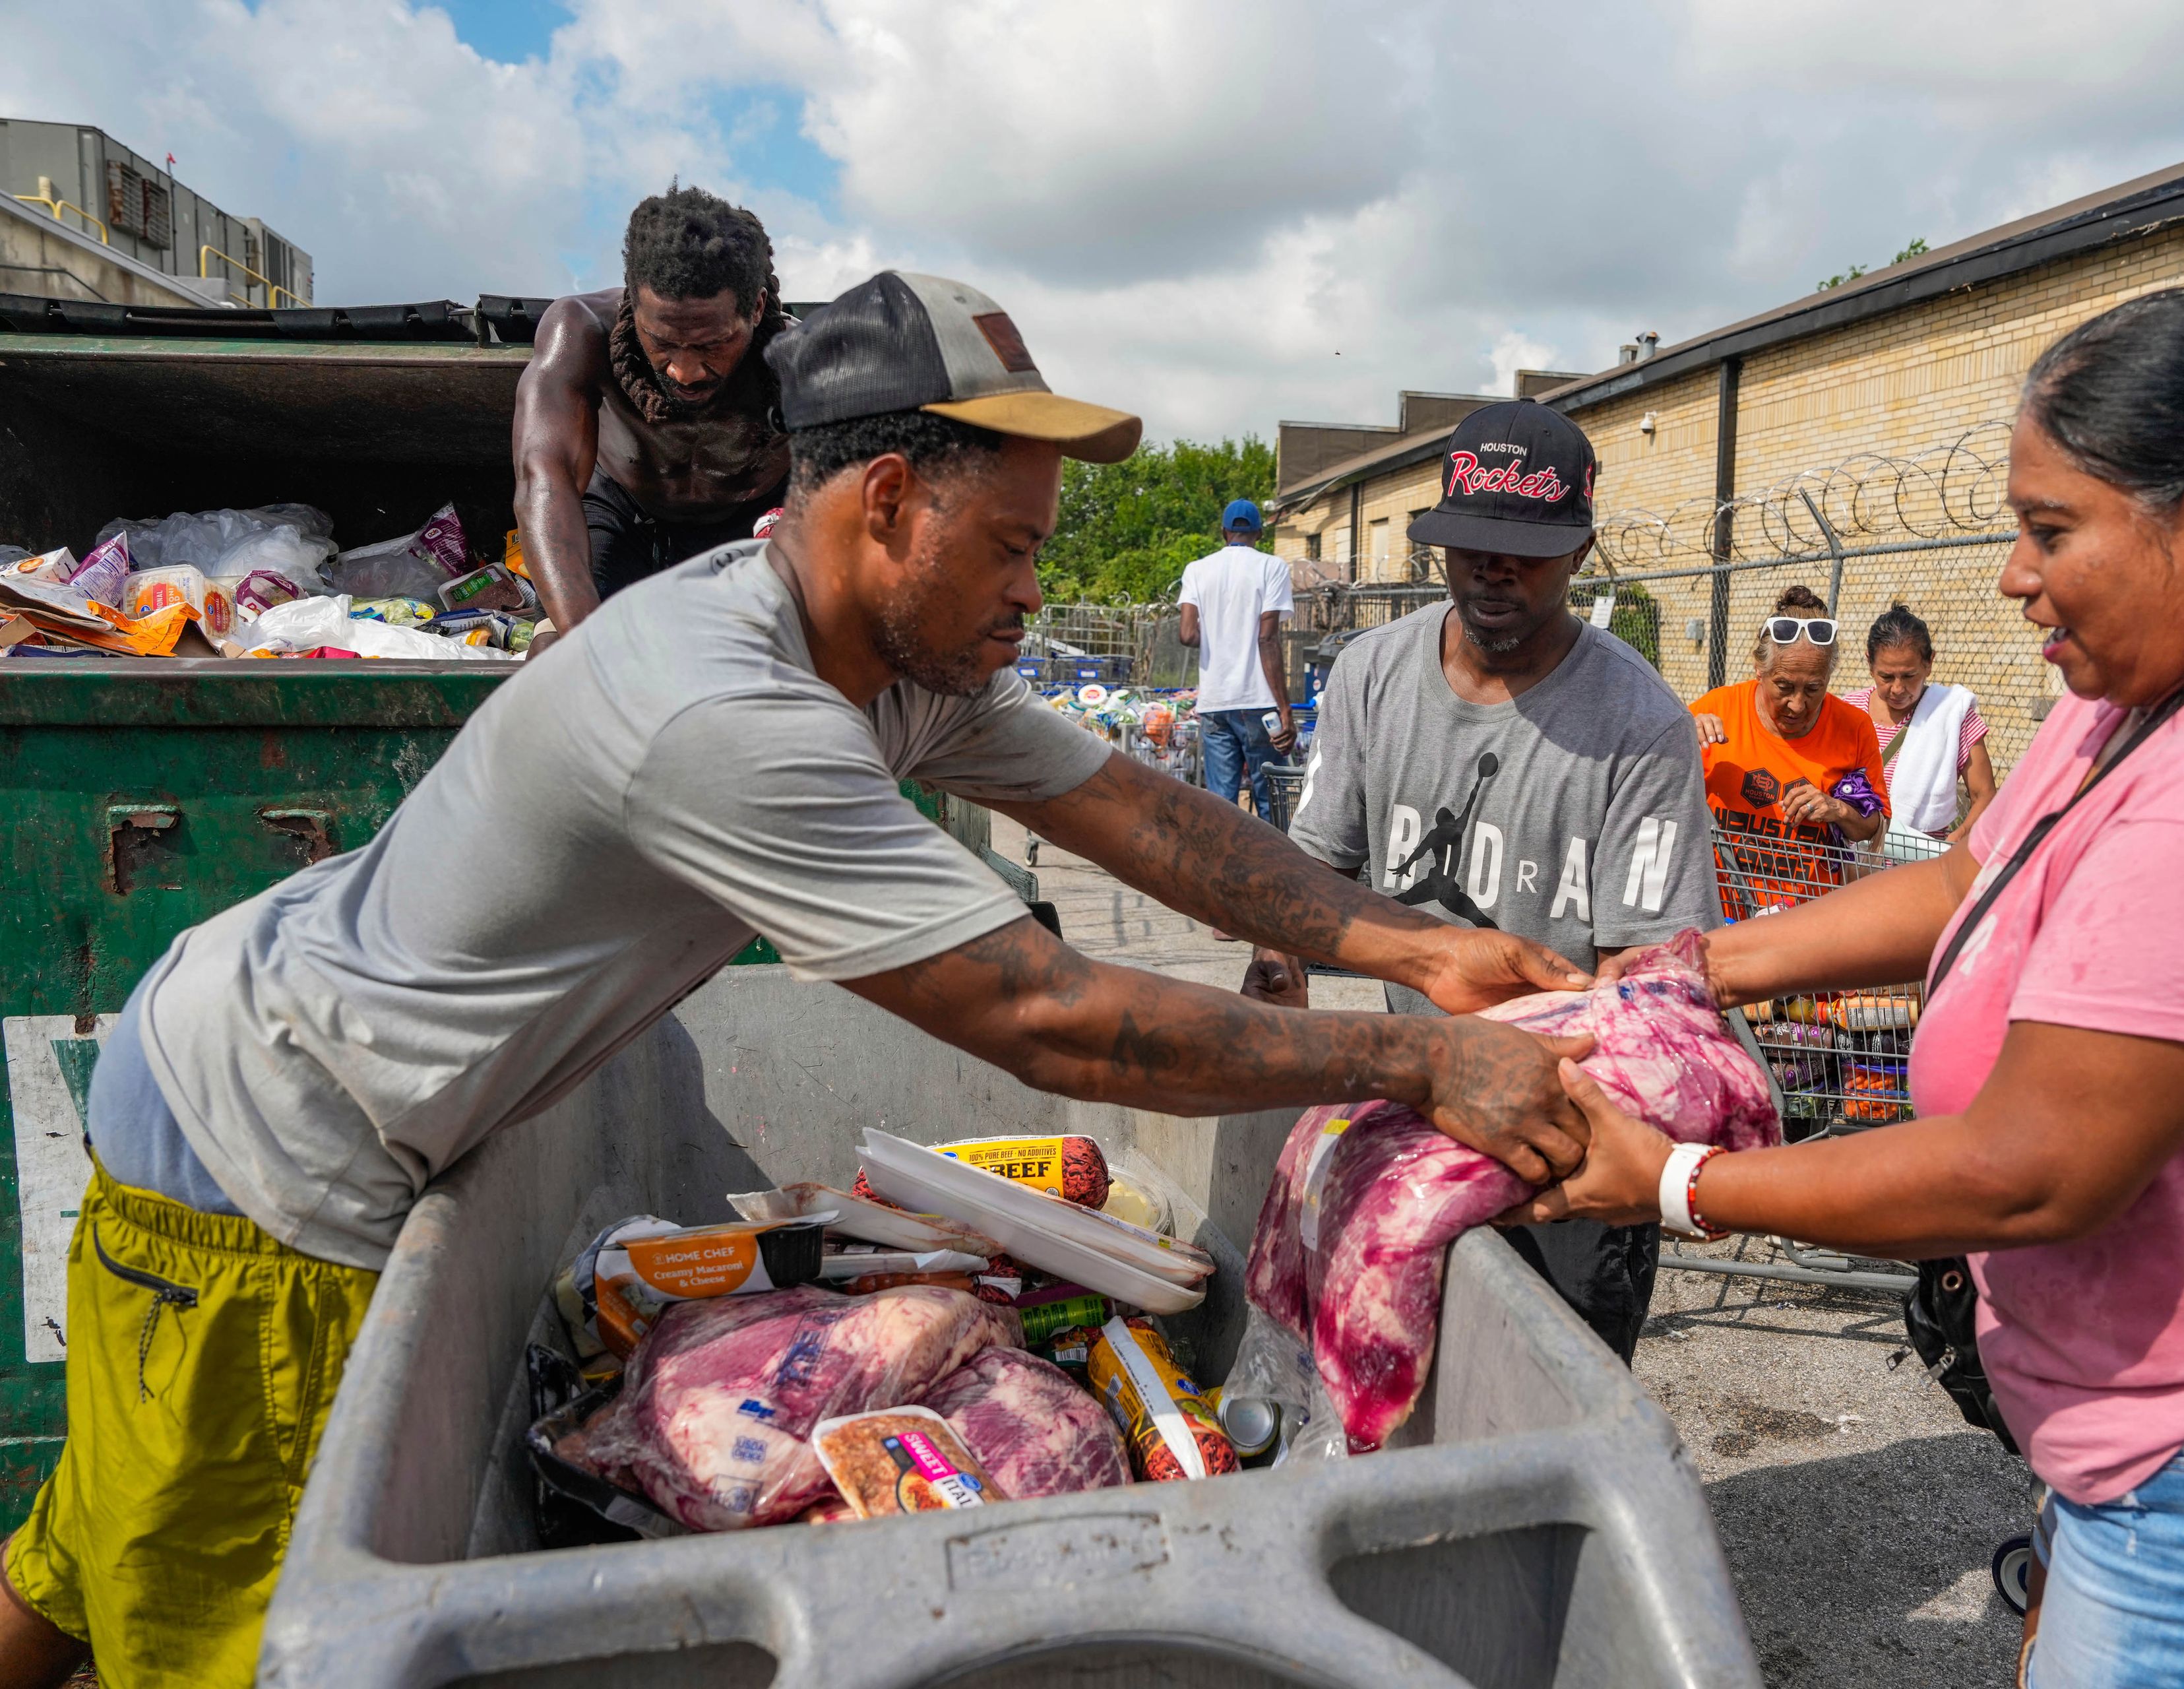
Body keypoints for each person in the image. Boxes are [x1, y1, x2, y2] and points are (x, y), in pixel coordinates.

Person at [0, 273, 1605, 1689]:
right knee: (228, 1620)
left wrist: (1406, 944)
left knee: (90, 1547)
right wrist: (1411, 1061)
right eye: (1014, 546)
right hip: (272, 1168)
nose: (1036, 589)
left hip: (262, 1069)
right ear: (891, 498)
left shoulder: (895, 665)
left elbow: (1139, 813)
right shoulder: (728, 709)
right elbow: (1038, 1008)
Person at [1512, 284, 2184, 1685]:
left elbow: (2026, 1172)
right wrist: (1695, 963)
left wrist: (1676, 1179)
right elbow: (1961, 883)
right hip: (2173, 1441)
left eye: (2052, 528)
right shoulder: (2134, 699)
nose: (2010, 574)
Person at [1244, 398, 1720, 1362]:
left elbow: (1647, 981)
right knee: (1391, 1369)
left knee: (1555, 1385)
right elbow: (1318, 865)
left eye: (1525, 549)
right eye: (1472, 545)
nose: (1493, 568)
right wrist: (1277, 965)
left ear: (1582, 551)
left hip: (1566, 1135)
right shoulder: (1374, 673)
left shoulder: (1639, 724)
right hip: (1406, 1100)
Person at [511, 184, 794, 645]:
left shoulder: (803, 360)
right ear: (634, 302)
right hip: (622, 517)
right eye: (662, 342)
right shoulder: (581, 329)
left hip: (752, 526)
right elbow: (544, 477)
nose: (684, 371)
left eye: (711, 344)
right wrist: (584, 646)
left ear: (757, 308)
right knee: (555, 649)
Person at [1691, 584, 1889, 918]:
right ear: (1759, 670)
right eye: (1784, 686)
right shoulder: (1717, 710)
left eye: (1814, 688)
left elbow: (1874, 827)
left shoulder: (1853, 728)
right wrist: (1679, 743)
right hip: (1720, 916)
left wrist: (1837, 809)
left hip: (1807, 925)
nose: (1798, 705)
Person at [1177, 498, 1296, 813]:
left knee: (1221, 806)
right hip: (1259, 704)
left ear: (1223, 532)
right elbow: (1267, 638)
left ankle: (1221, 863)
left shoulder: (1197, 570)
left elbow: (1187, 634)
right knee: (1271, 801)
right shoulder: (1272, 567)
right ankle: (1272, 864)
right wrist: (1285, 709)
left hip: (1215, 704)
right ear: (1259, 533)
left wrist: (1219, 634)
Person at [1840, 602, 1996, 840]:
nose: (1898, 688)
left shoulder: (1952, 714)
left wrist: (1955, 841)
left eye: (1909, 676)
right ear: (1870, 664)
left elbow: (1984, 795)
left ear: (1929, 663)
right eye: (1886, 676)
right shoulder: (1846, 712)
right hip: (1850, 863)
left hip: (1921, 863)